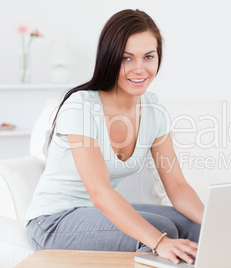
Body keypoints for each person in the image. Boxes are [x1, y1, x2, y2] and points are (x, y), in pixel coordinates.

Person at [25, 9, 204, 265]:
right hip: (54, 221)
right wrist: (159, 241)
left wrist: (216, 221)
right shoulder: (81, 107)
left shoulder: (154, 111)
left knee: (196, 228)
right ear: (109, 58)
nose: (139, 69)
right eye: (126, 58)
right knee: (161, 232)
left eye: (148, 57)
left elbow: (177, 186)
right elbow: (99, 191)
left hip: (99, 214)